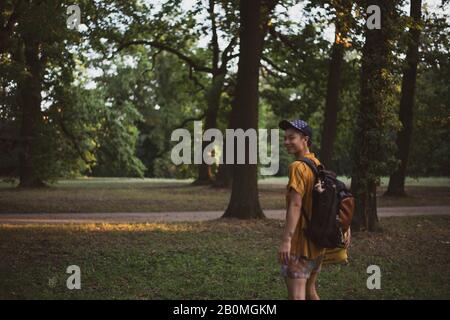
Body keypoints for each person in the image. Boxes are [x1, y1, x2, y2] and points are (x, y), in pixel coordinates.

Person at [277, 119, 325, 300]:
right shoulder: (317, 164)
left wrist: (286, 241)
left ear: (305, 139)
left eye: (292, 138)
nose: (286, 142)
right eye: (285, 138)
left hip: (300, 244)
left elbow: (295, 205)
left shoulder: (297, 167)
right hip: (317, 244)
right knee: (310, 291)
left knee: (297, 296)